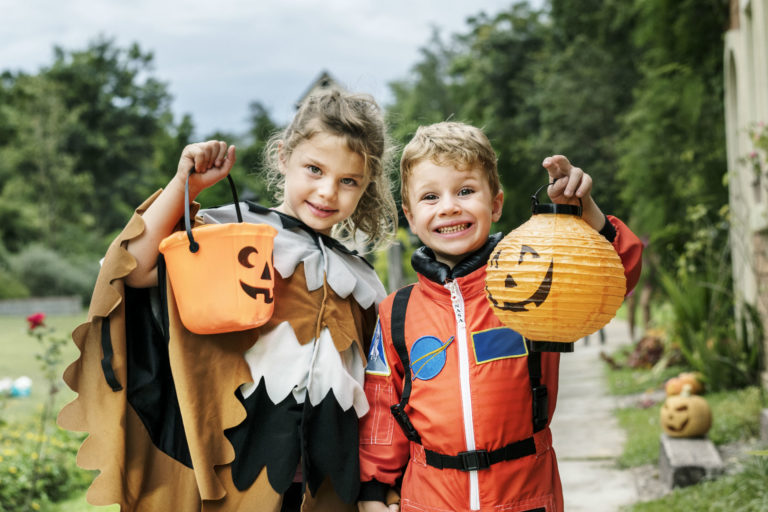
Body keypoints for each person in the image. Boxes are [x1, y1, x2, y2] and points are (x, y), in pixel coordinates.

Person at [58, 90, 398, 512]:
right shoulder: (233, 234)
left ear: (367, 185)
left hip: (326, 484)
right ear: (282, 157)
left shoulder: (362, 282)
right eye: (314, 169)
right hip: (233, 469)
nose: (328, 192)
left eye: (349, 181)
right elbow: (131, 270)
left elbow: (379, 393)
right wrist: (185, 185)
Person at [357, 122, 643, 512]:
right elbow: (381, 408)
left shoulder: (535, 284)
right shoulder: (397, 311)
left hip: (525, 493)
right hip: (429, 497)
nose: (449, 206)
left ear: (495, 204)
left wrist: (585, 213)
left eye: (465, 191)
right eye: (430, 196)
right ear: (409, 213)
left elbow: (619, 272)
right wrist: (374, 490)